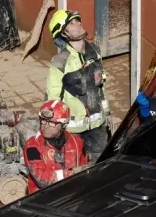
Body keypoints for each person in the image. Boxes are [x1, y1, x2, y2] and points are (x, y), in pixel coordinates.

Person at [46, 9, 110, 164]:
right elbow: (53, 101)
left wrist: (107, 113)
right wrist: (55, 129)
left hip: (98, 127)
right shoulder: (59, 62)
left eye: (77, 20)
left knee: (101, 167)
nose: (78, 24)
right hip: (72, 131)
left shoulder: (94, 51)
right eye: (71, 23)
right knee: (73, 170)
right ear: (63, 34)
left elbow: (101, 88)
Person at [23, 100, 89, 194]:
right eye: (43, 121)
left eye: (51, 123)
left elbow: (84, 170)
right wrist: (71, 173)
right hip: (43, 199)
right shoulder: (32, 146)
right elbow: (41, 179)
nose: (46, 126)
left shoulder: (77, 143)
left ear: (63, 124)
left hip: (72, 195)